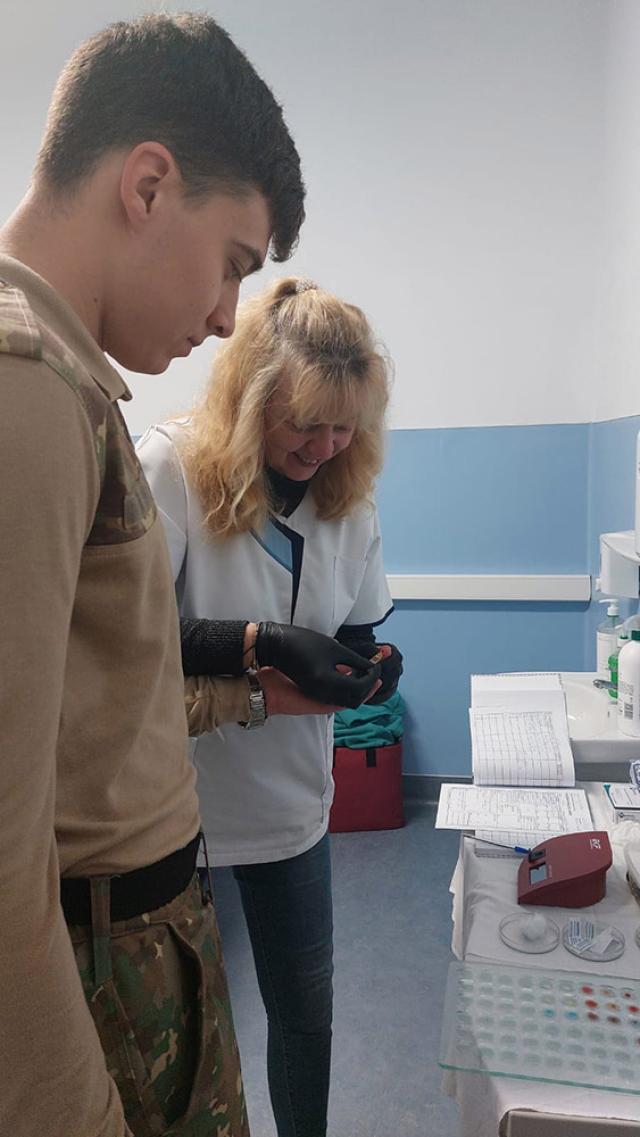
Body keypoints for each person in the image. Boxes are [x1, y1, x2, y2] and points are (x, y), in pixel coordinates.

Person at [0, 15, 381, 1137]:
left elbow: (103, 707)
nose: (227, 317)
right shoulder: (26, 384)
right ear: (149, 184)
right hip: (94, 971)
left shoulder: (71, 380)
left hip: (144, 939)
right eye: (232, 266)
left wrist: (263, 676)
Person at [137, 276, 403, 1137]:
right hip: (176, 811)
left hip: (293, 803)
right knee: (186, 1033)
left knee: (304, 1011)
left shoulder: (347, 498)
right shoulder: (171, 468)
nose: (324, 444)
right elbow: (129, 640)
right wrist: (264, 640)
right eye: (303, 421)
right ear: (252, 399)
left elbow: (360, 630)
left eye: (343, 424)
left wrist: (372, 668)